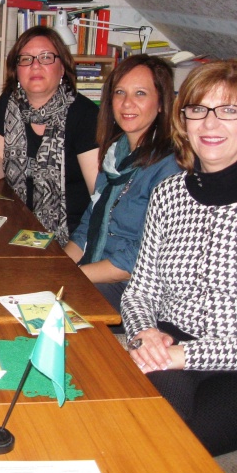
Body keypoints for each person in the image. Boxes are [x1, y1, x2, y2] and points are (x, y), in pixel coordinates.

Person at [122, 59, 237, 456]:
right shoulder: (168, 195)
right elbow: (140, 292)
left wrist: (184, 355)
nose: (210, 123)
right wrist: (144, 333)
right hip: (168, 345)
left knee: (177, 450)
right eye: (198, 109)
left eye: (228, 110)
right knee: (132, 426)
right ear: (185, 122)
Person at [0, 25, 99, 245]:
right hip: (15, 223)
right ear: (16, 69)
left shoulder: (84, 114)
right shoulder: (9, 103)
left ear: (62, 67)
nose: (35, 65)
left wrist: (76, 250)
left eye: (46, 57)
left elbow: (98, 197)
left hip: (69, 237)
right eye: (26, 59)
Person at [64, 55, 181, 312]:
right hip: (95, 271)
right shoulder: (115, 154)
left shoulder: (170, 168)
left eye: (140, 93)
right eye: (120, 92)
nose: (127, 103)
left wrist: (72, 277)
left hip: (135, 288)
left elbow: (138, 259)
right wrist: (57, 268)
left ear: (161, 104)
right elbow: (86, 227)